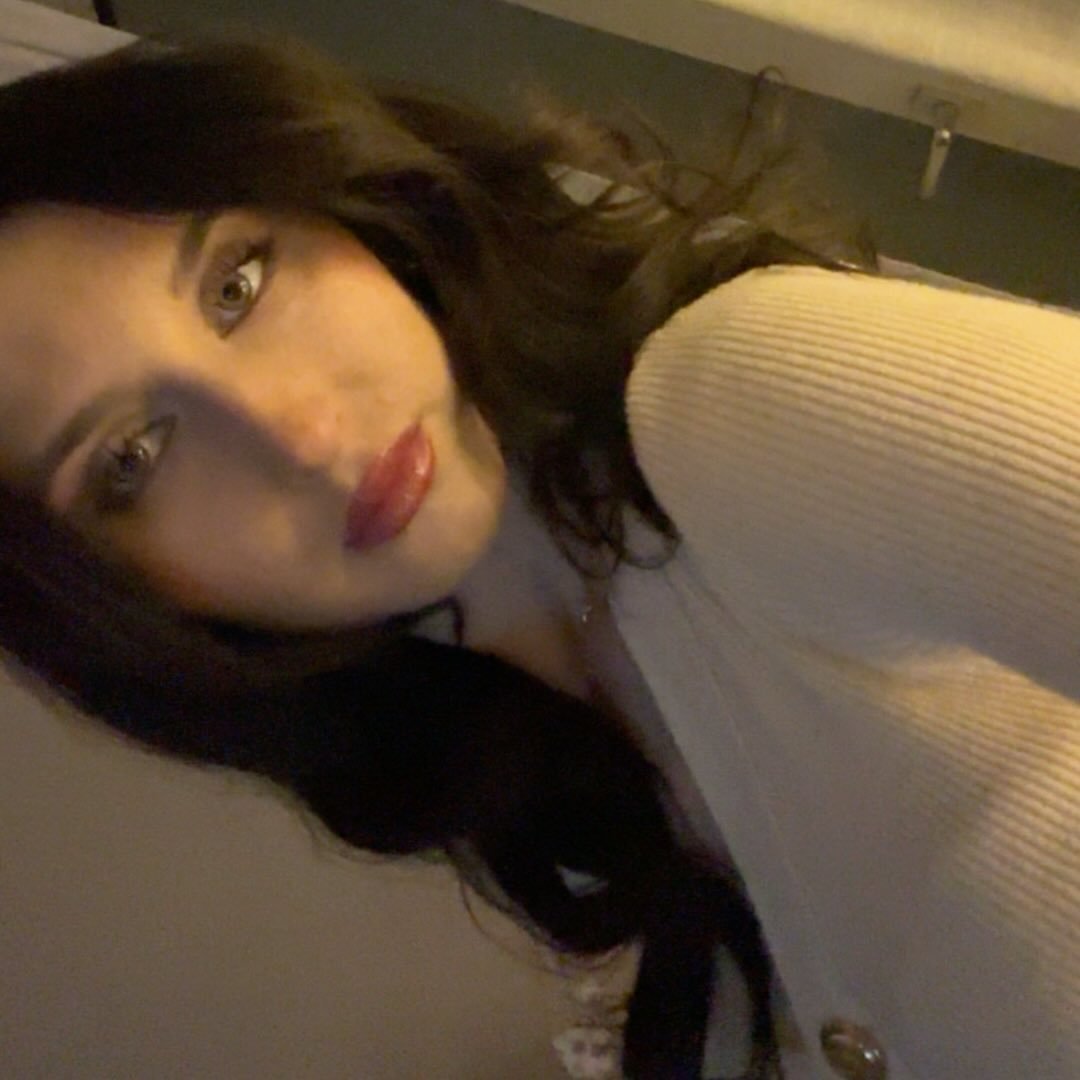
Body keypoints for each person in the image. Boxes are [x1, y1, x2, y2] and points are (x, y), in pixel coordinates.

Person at [0, 32, 1076, 1080]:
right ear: (107, 600)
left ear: (342, 205)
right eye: (133, 457)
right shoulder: (516, 735)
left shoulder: (737, 407)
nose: (305, 438)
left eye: (237, 285)